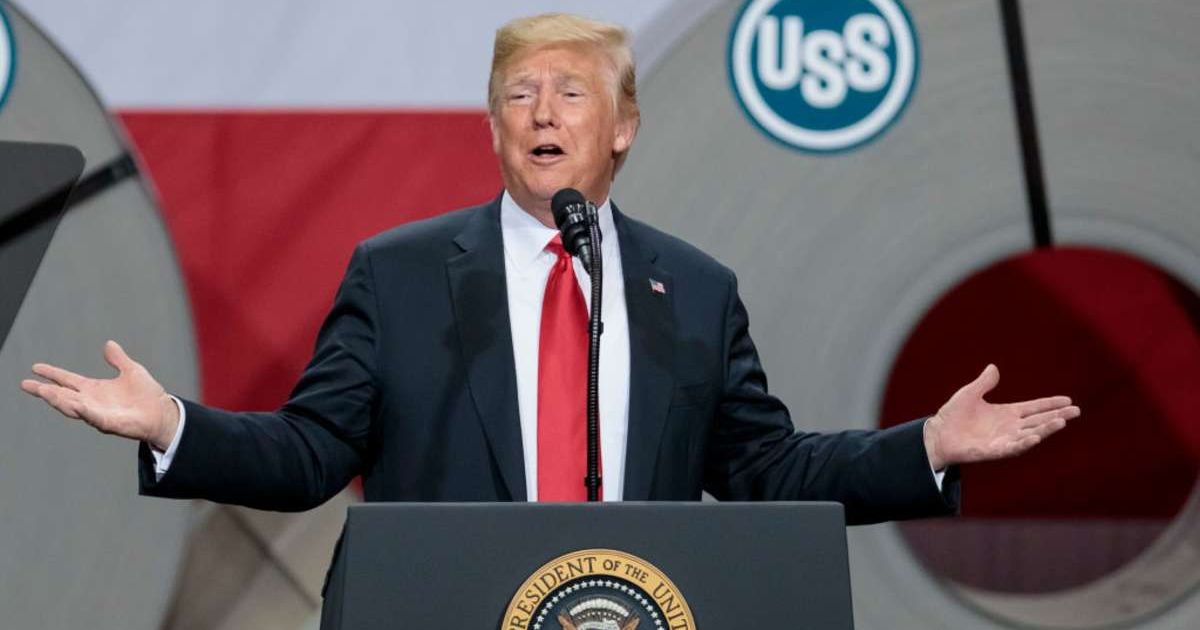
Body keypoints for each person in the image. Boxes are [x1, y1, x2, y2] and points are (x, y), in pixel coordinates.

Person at [20, 14, 1078, 524]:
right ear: (492, 126)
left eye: (571, 94)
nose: (542, 113)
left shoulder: (693, 290)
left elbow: (764, 472)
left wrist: (925, 449)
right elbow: (310, 455)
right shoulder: (399, 277)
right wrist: (173, 429)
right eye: (520, 94)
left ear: (623, 129)